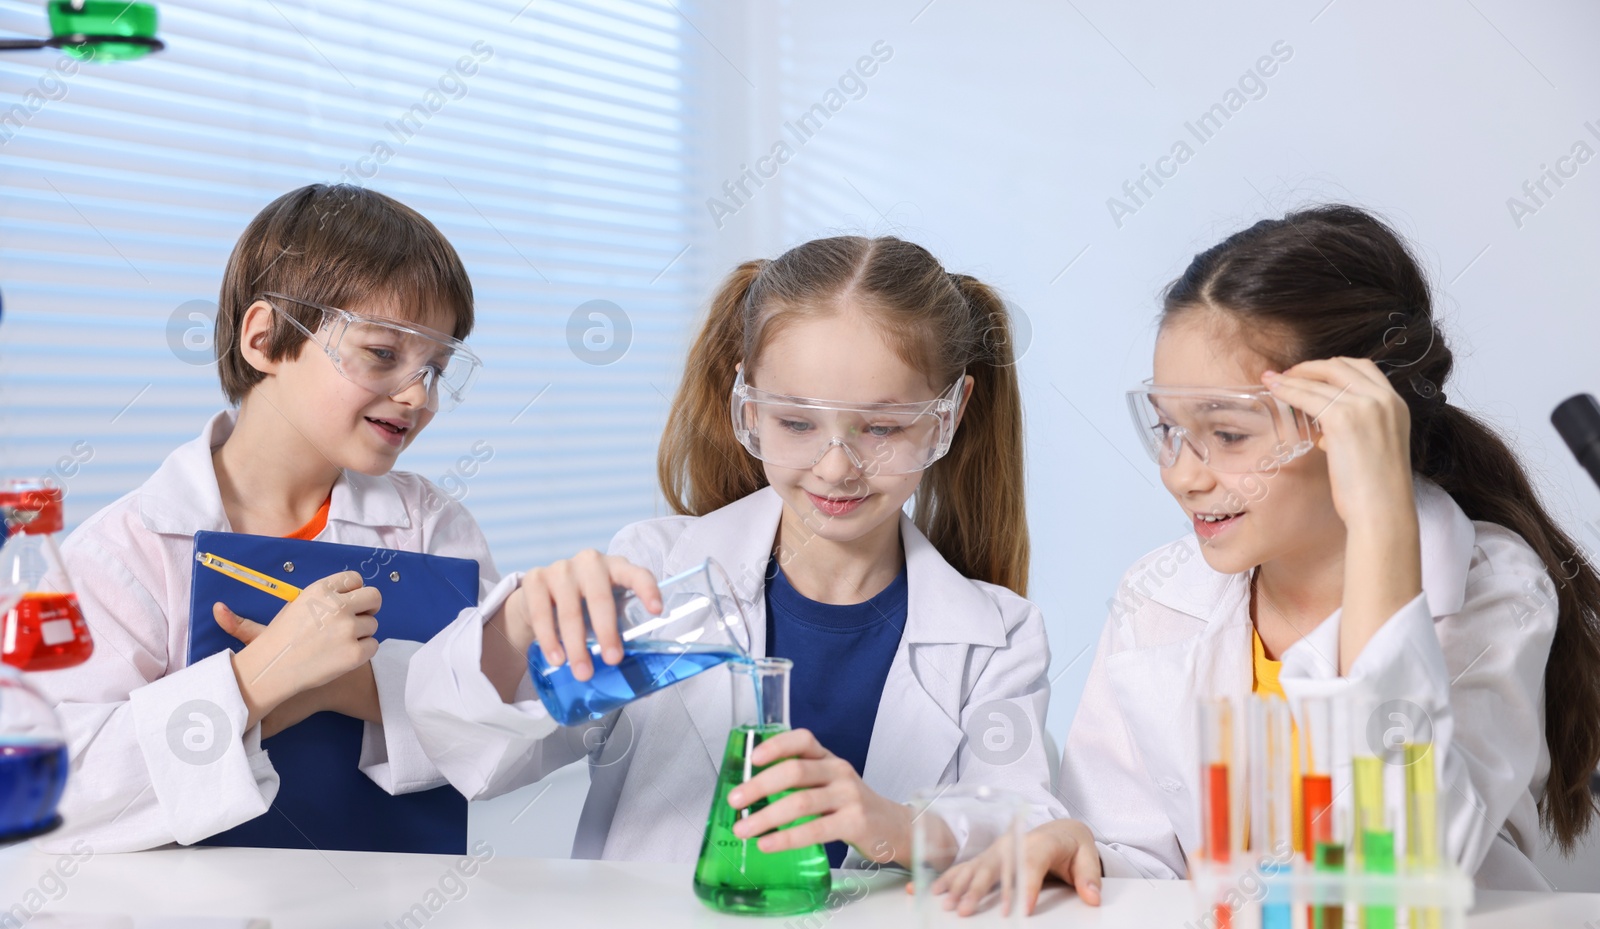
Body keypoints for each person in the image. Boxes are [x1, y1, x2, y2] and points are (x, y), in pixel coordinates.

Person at [935, 205, 1600, 913]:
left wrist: (1381, 518)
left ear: (1355, 422)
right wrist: (1083, 852)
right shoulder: (1160, 596)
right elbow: (1142, 855)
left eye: (1227, 433)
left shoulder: (1494, 590)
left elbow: (1404, 863)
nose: (1185, 474)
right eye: (1168, 428)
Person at [408, 235, 1060, 867]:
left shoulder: (999, 637)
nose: (836, 468)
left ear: (950, 412)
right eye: (797, 423)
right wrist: (519, 622)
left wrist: (901, 827)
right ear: (746, 400)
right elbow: (466, 747)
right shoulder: (656, 574)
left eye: (882, 427)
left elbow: (1030, 827)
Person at [35, 184, 497, 853]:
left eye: (437, 369)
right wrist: (258, 681)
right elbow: (56, 791)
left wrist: (361, 687)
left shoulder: (433, 526)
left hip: (401, 916)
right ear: (263, 338)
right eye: (382, 353)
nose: (416, 396)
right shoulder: (123, 549)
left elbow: (517, 727)